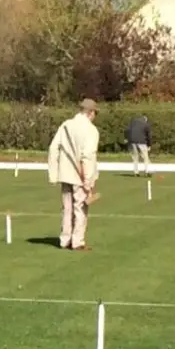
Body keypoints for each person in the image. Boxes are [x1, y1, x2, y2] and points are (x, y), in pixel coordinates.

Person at [47, 98, 100, 251]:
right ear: (90, 112)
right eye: (95, 113)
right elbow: (88, 156)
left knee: (67, 207)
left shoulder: (66, 125)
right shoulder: (91, 130)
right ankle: (77, 242)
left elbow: (53, 148)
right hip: (80, 176)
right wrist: (89, 180)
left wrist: (53, 173)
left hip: (65, 173)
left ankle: (64, 240)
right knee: (80, 208)